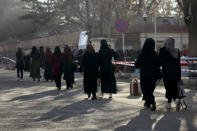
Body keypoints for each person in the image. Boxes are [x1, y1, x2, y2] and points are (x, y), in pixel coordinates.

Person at [135, 38, 161, 111]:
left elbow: (137, 65)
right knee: (150, 90)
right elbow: (159, 63)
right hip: (153, 76)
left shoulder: (142, 54)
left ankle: (152, 102)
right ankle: (148, 102)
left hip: (144, 75)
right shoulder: (155, 54)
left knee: (145, 90)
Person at [159, 37, 181, 110]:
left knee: (168, 87)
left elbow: (160, 62)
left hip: (166, 73)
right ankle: (173, 101)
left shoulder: (162, 50)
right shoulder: (177, 51)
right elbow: (178, 64)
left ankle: (171, 102)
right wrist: (179, 76)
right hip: (175, 73)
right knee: (174, 87)